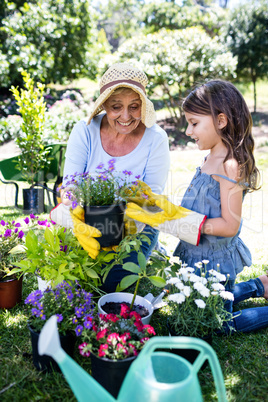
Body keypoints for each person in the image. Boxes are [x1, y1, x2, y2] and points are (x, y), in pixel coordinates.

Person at [126, 79, 268, 333]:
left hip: (215, 263)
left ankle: (258, 293)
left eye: (194, 123)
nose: (189, 131)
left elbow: (230, 226)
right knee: (203, 300)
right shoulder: (210, 158)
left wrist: (189, 224)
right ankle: (260, 286)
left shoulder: (230, 166)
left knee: (217, 323)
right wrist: (160, 208)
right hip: (197, 256)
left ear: (221, 121)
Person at [52, 62, 171, 292]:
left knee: (111, 287)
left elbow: (150, 197)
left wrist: (118, 230)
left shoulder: (156, 138)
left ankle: (151, 249)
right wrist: (79, 213)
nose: (126, 116)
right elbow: (70, 186)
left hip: (137, 225)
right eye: (116, 106)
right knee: (77, 283)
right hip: (89, 220)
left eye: (134, 106)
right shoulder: (84, 131)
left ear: (143, 106)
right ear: (104, 104)